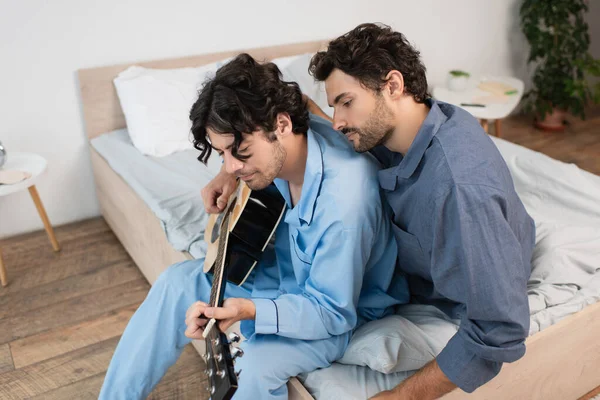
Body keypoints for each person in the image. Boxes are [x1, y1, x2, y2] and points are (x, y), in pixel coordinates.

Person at [203, 24, 535, 399]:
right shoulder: (389, 129)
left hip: (455, 290)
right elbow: (294, 115)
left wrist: (399, 396)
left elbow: (498, 330)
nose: (338, 121)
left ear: (393, 85)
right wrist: (230, 173)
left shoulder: (457, 189)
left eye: (346, 102)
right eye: (334, 107)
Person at [98, 53, 407, 400]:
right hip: (283, 275)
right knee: (175, 283)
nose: (232, 165)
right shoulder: (293, 124)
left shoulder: (346, 202)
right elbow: (295, 96)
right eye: (222, 153)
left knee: (253, 368)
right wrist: (226, 175)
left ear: (282, 125)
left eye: (239, 151)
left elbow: (332, 312)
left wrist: (250, 311)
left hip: (336, 313)